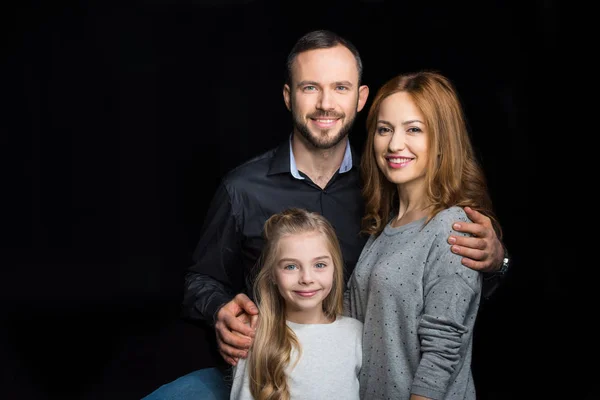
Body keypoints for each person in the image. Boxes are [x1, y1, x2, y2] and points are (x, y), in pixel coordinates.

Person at [142, 29, 508, 399]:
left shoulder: (385, 186)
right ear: (288, 96)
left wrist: (497, 262)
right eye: (310, 88)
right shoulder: (243, 188)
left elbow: (443, 293)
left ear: (361, 98)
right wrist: (220, 309)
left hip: (356, 378)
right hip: (271, 368)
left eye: (340, 88)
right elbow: (201, 280)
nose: (325, 104)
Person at [345, 70, 502, 400]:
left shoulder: (453, 227)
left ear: (442, 141)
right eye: (384, 129)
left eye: (413, 129)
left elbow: (439, 359)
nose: (394, 144)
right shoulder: (385, 229)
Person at [229, 207, 362, 400]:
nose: (307, 278)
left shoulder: (356, 333)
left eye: (320, 265)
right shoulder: (255, 335)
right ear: (273, 275)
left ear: (335, 268)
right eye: (291, 266)